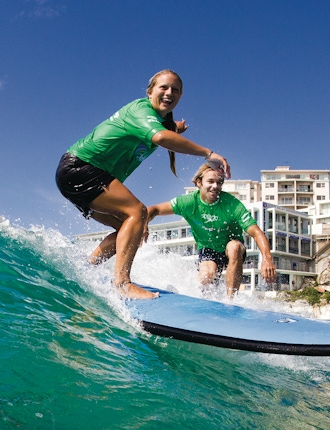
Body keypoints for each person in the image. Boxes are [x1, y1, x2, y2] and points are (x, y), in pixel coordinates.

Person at [55, 70, 230, 299]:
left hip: (77, 173)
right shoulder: (141, 110)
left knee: (130, 230)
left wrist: (176, 127)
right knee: (138, 213)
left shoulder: (160, 121)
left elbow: (166, 131)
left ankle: (87, 267)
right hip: (82, 167)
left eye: (175, 90)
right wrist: (208, 153)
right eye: (164, 88)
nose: (169, 93)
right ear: (149, 92)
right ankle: (122, 284)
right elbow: (160, 137)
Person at [146, 163, 276, 298]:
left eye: (219, 183)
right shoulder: (189, 202)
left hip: (231, 248)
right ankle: (204, 299)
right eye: (210, 181)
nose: (215, 186)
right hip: (208, 248)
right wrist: (144, 224)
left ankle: (231, 301)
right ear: (199, 182)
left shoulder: (231, 204)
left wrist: (267, 259)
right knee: (206, 276)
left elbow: (256, 232)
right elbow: (153, 209)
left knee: (234, 247)